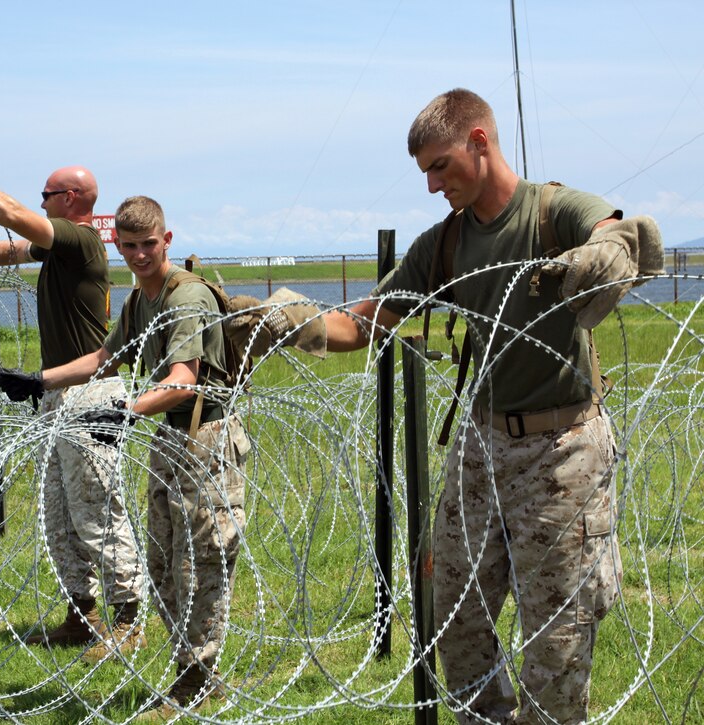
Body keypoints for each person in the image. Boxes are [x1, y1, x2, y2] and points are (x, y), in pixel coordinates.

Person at [233, 89, 662, 723]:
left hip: (562, 448)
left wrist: (602, 257)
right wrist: (285, 318)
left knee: (558, 637)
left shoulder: (553, 211)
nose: (434, 185)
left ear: (480, 143)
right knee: (456, 617)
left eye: (441, 165)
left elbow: (614, 231)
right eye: (425, 172)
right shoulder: (441, 245)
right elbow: (367, 322)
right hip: (481, 445)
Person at [20, 195, 250, 719]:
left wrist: (125, 410)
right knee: (164, 563)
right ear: (117, 246)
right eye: (130, 246)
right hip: (170, 439)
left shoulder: (185, 298)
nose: (140, 255)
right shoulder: (139, 300)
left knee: (202, 562)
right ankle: (191, 673)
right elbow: (106, 357)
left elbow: (183, 382)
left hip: (207, 439)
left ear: (165, 240)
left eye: (149, 244)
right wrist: (40, 380)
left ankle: (196, 680)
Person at [0, 143, 145, 656]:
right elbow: (12, 249)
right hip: (60, 393)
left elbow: (13, 216)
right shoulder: (58, 246)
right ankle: (80, 615)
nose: (39, 204)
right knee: (60, 511)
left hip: (89, 393)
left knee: (97, 510)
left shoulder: (80, 239)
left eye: (46, 195)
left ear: (69, 198)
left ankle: (128, 618)